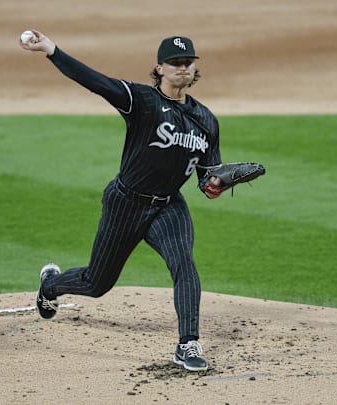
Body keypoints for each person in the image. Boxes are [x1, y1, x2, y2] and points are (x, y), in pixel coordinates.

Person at [19, 30, 227, 372]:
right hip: (125, 203)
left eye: (187, 62)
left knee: (184, 264)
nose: (182, 67)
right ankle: (50, 285)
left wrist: (214, 184)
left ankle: (187, 344)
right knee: (96, 283)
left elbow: (206, 175)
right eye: (174, 62)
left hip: (168, 207)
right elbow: (95, 82)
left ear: (194, 69)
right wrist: (52, 50)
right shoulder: (141, 100)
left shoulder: (207, 121)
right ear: (159, 68)